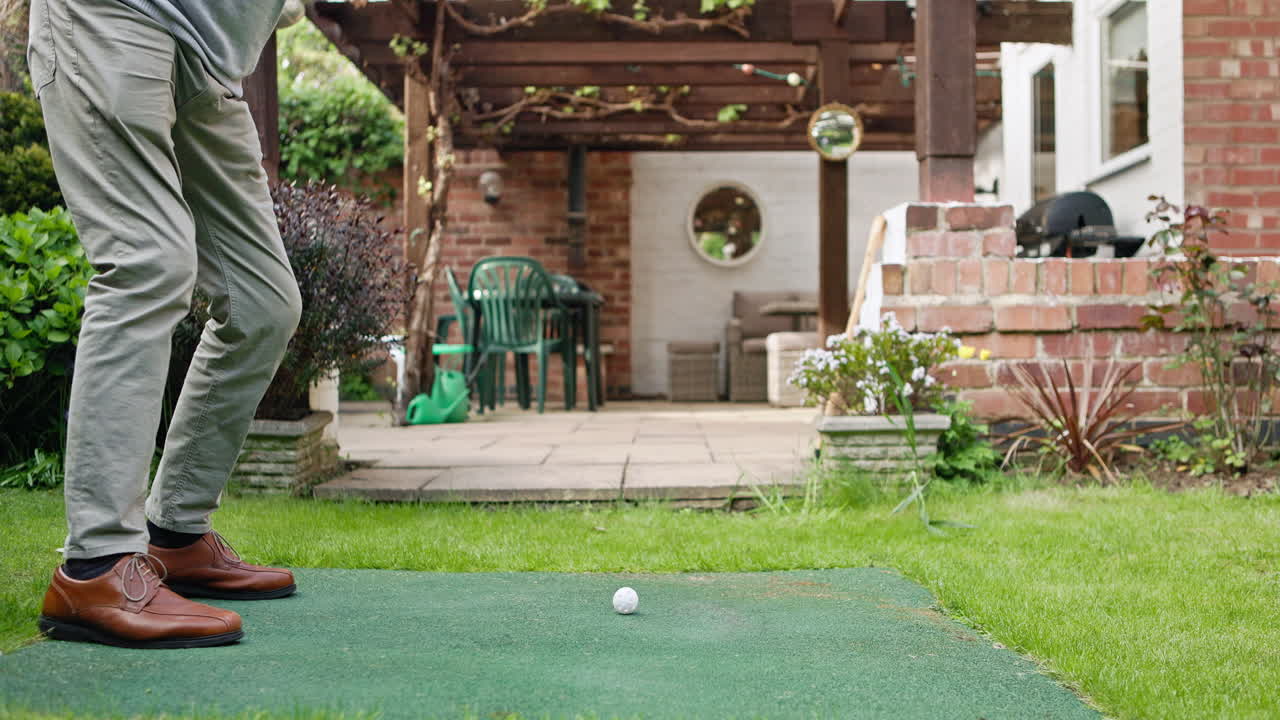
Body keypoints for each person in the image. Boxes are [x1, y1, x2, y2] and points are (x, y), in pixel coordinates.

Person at [28, 0, 307, 649]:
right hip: (114, 17)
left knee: (264, 301)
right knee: (147, 262)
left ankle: (176, 536)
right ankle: (94, 567)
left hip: (209, 59)